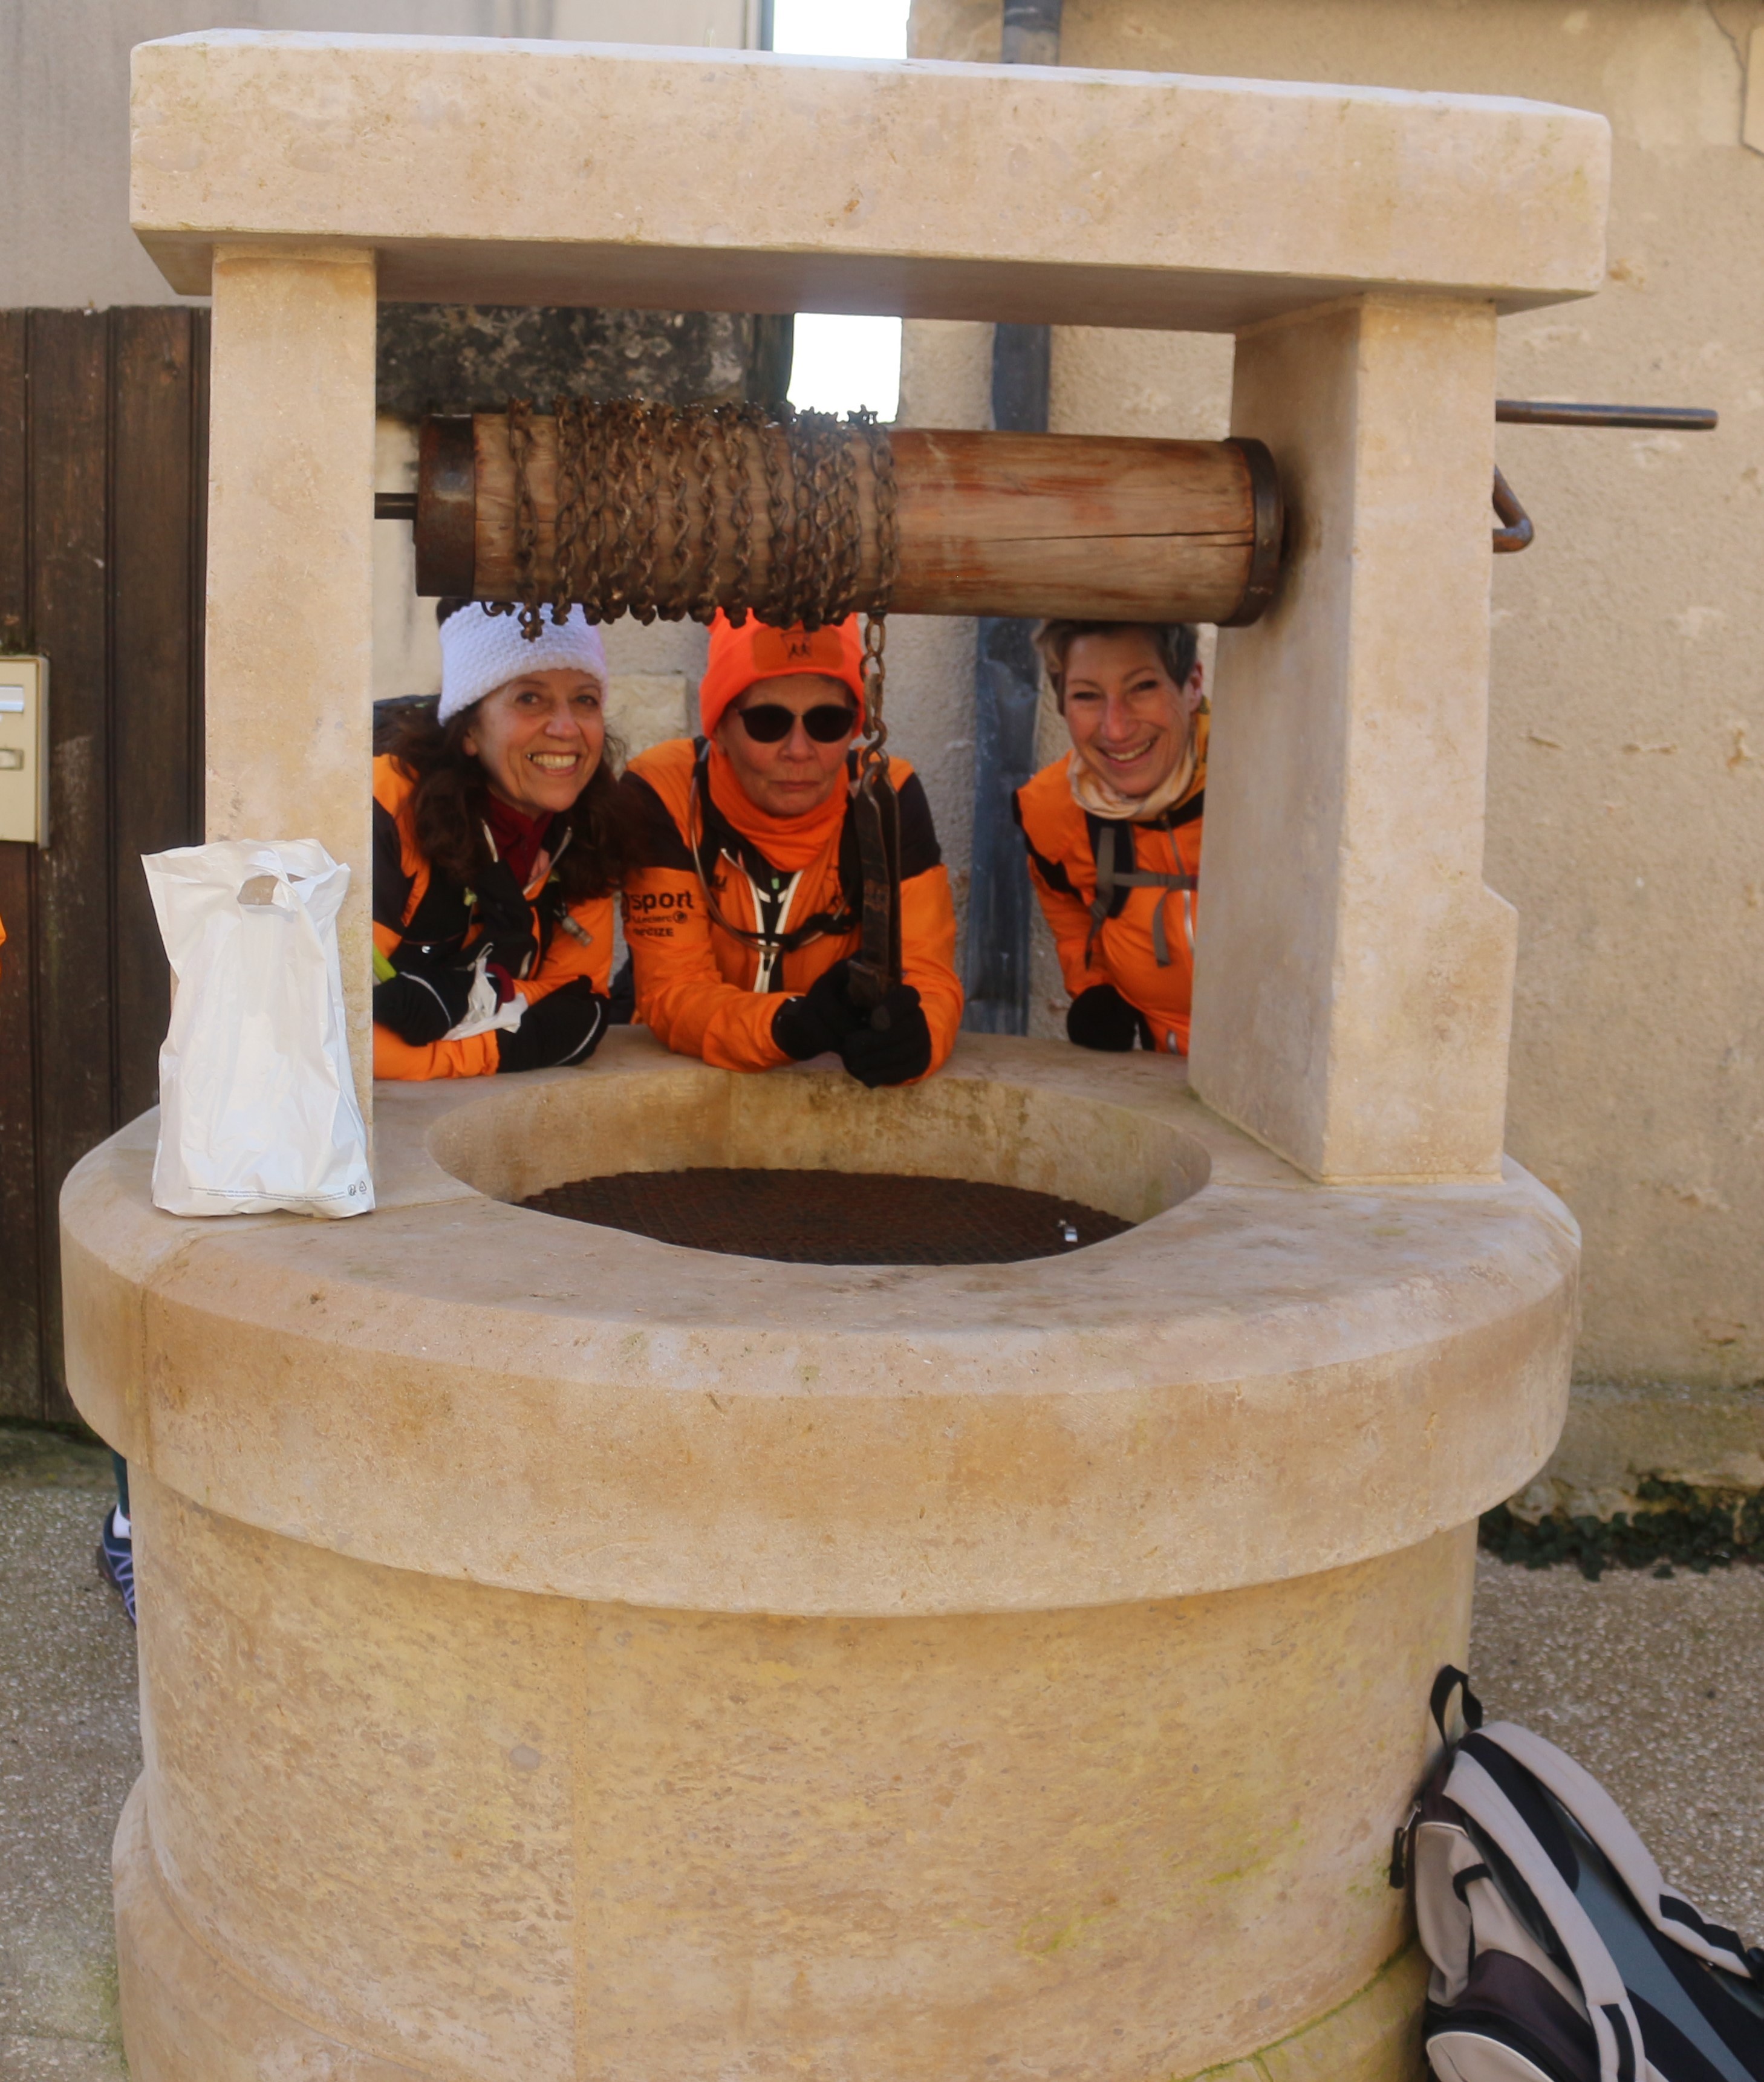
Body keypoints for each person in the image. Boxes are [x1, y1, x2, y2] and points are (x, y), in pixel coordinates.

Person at [620, 613, 963, 1084]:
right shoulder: (664, 793)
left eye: (827, 721)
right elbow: (672, 990)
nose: (799, 750)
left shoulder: (887, 796)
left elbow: (926, 974)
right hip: (677, 1075)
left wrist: (918, 1037)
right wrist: (789, 1026)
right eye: (768, 721)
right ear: (719, 727)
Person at [372, 600, 622, 1079]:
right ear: (468, 730)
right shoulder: (389, 808)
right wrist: (506, 1046)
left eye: (586, 699)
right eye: (530, 697)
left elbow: (580, 999)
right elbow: (339, 1027)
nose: (567, 728)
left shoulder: (589, 825)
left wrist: (467, 997)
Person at [1013, 620, 1206, 1055]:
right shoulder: (1054, 813)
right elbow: (1066, 902)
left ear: (1192, 684)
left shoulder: (1272, 790)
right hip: (1168, 1075)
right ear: (1061, 704)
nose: (1115, 729)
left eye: (1142, 687)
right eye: (1086, 695)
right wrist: (1094, 986)